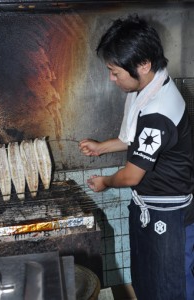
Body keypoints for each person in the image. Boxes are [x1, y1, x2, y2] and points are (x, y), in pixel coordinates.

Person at [79, 14, 194, 300]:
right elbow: (132, 139)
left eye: (115, 72)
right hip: (149, 208)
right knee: (148, 283)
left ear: (143, 65)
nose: (111, 78)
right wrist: (100, 147)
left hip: (169, 217)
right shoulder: (147, 87)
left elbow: (131, 175)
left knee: (172, 290)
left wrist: (105, 181)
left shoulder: (159, 111)